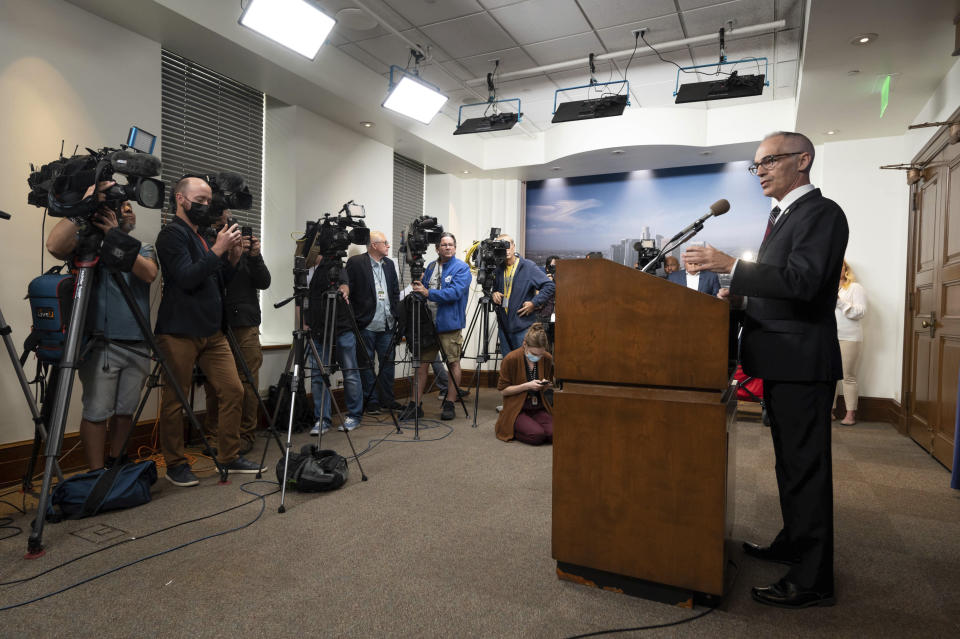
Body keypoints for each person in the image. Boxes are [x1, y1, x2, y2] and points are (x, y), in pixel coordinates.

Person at [683, 131, 848, 608]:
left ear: (803, 160)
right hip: (781, 360)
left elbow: (805, 282)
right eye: (756, 165)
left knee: (806, 468)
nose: (760, 171)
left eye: (769, 161)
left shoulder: (822, 212)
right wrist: (739, 296)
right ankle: (795, 543)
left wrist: (733, 266)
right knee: (790, 465)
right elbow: (781, 287)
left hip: (801, 363)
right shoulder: (783, 216)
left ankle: (814, 577)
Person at [154, 176, 265, 486]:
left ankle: (228, 455)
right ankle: (176, 463)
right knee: (176, 400)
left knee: (234, 390)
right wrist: (218, 250)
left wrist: (232, 258)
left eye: (208, 201)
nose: (205, 206)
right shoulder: (171, 236)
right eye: (199, 201)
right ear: (179, 199)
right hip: (178, 330)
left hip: (212, 331)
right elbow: (187, 277)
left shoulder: (203, 236)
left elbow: (218, 282)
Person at [46, 197, 157, 470]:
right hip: (101, 343)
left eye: (132, 209)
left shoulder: (143, 247)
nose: (130, 213)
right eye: (124, 208)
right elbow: (54, 245)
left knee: (125, 411)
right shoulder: (89, 246)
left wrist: (116, 237)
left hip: (138, 342)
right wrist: (85, 206)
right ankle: (95, 472)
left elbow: (149, 273)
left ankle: (117, 461)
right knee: (96, 412)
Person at [202, 213, 271, 455]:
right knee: (214, 384)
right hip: (215, 323)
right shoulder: (208, 245)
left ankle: (245, 435)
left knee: (247, 381)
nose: (227, 228)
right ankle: (214, 435)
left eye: (230, 224)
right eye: (221, 224)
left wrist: (254, 256)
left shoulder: (246, 252)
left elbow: (264, 282)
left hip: (245, 324)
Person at [405, 232, 471, 420]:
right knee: (421, 366)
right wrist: (418, 285)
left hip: (449, 325)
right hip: (428, 324)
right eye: (443, 245)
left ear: (455, 247)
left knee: (453, 363)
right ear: (437, 248)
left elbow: (455, 293)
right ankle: (416, 405)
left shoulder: (462, 268)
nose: (447, 247)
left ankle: (450, 402)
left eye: (450, 244)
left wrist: (427, 293)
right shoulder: (432, 266)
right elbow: (423, 289)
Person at [343, 231, 401, 414]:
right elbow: (348, 291)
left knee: (387, 364)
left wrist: (395, 313)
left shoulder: (390, 264)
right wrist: (355, 318)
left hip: (387, 324)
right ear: (374, 245)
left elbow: (394, 292)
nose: (388, 246)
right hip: (366, 323)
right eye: (385, 242)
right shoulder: (356, 262)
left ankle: (387, 400)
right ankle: (372, 401)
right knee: (366, 364)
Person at [305, 255, 362, 435]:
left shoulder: (336, 265)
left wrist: (344, 289)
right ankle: (322, 419)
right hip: (317, 329)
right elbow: (303, 301)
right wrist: (304, 323)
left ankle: (354, 415)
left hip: (342, 327)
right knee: (317, 375)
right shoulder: (306, 272)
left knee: (350, 372)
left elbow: (344, 284)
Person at [492, 234, 555, 356]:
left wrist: (534, 303)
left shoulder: (528, 266)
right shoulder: (498, 269)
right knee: (508, 363)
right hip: (504, 327)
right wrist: (493, 294)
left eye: (507, 245)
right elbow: (494, 290)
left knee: (526, 365)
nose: (505, 249)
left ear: (514, 246)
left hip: (522, 327)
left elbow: (550, 286)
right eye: (501, 246)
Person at [494, 323, 554, 445]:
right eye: (534, 354)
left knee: (554, 434)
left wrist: (546, 385)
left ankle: (530, 425)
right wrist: (527, 386)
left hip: (538, 407)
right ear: (524, 344)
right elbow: (503, 390)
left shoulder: (547, 358)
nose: (538, 357)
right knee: (537, 436)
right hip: (518, 408)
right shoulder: (511, 359)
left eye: (540, 354)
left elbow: (548, 380)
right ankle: (508, 425)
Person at [835, 260, 866, 425]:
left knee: (848, 376)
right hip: (829, 336)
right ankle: (829, 411)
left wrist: (840, 303)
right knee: (829, 376)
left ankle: (850, 414)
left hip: (850, 337)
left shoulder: (855, 288)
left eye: (840, 265)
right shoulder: (826, 287)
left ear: (846, 269)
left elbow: (861, 312)